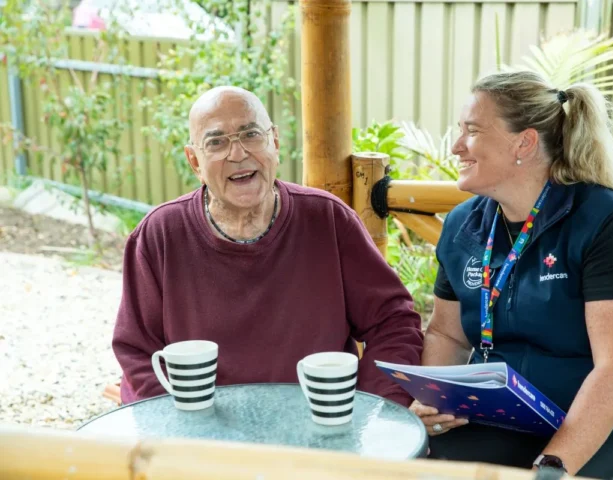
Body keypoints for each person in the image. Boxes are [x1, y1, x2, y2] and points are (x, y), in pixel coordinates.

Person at [409, 70, 613, 479]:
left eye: (472, 131)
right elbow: (447, 334)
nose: (457, 146)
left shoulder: (611, 223)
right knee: (417, 462)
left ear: (524, 143)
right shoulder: (463, 225)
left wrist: (553, 466)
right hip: (514, 419)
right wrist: (437, 402)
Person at [112, 86, 424, 407]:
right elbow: (137, 352)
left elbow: (393, 323)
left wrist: (373, 407)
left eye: (250, 134)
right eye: (216, 142)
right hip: (201, 436)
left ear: (274, 142)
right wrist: (181, 425)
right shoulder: (161, 233)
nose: (238, 154)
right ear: (195, 161)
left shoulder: (327, 219)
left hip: (317, 428)